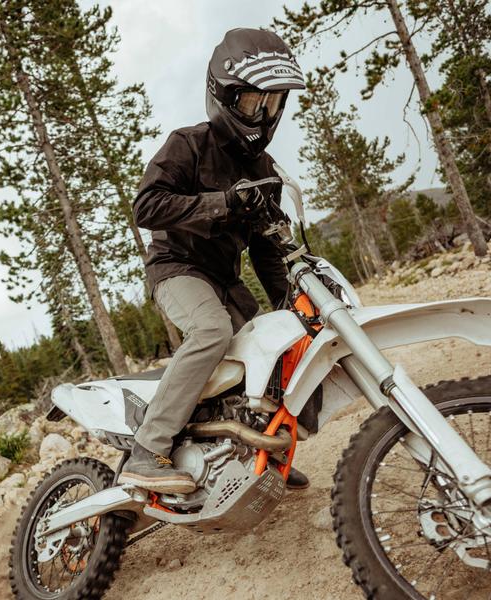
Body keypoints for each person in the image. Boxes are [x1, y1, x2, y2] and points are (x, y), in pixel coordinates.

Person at [118, 28, 309, 494]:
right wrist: (220, 203)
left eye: (274, 103)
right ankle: (148, 449)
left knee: (275, 345)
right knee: (212, 331)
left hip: (225, 278)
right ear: (223, 96)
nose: (264, 115)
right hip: (177, 267)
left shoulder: (264, 173)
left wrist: (293, 300)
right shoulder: (188, 144)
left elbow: (266, 254)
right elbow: (146, 207)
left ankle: (252, 451)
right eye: (253, 103)